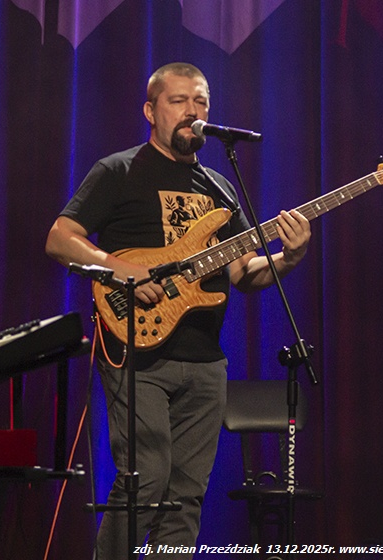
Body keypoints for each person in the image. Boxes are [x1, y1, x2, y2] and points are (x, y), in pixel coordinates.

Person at [45, 62, 311, 558]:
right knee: (145, 481)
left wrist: (289, 258)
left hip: (205, 359)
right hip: (138, 351)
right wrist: (121, 270)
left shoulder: (219, 188)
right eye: (179, 101)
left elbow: (244, 273)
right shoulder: (119, 170)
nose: (193, 111)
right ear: (151, 111)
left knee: (186, 496)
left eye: (201, 101)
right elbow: (60, 238)